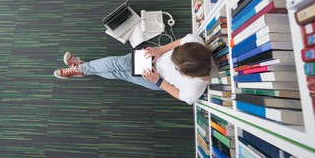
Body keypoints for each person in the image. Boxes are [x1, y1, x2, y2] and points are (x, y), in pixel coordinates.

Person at [53, 34, 217, 105]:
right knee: (117, 63)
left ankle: (81, 68)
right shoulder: (195, 42)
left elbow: (179, 95)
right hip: (154, 58)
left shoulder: (195, 89)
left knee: (119, 73)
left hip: (157, 80)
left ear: (187, 74)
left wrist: (158, 81)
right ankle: (82, 68)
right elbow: (181, 41)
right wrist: (160, 50)